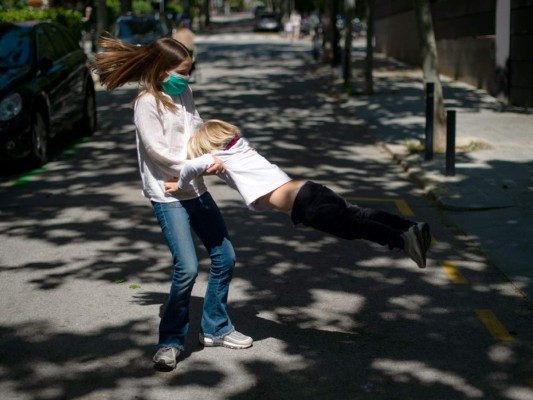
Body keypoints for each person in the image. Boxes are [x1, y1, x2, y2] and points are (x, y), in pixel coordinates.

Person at [91, 37, 252, 370]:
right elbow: (158, 152)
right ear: (161, 70)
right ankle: (170, 341)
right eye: (181, 71)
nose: (186, 78)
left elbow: (194, 130)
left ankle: (216, 328)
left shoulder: (183, 94)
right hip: (167, 193)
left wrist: (218, 147)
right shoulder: (146, 103)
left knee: (226, 256)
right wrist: (198, 165)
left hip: (195, 188)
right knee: (187, 267)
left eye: (189, 71)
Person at [164, 120, 431, 268]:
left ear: (207, 148)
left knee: (352, 227)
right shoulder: (239, 147)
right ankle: (410, 226)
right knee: (358, 212)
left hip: (304, 205)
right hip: (311, 189)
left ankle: (402, 239)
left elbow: (190, 166)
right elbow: (226, 169)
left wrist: (181, 185)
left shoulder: (215, 157)